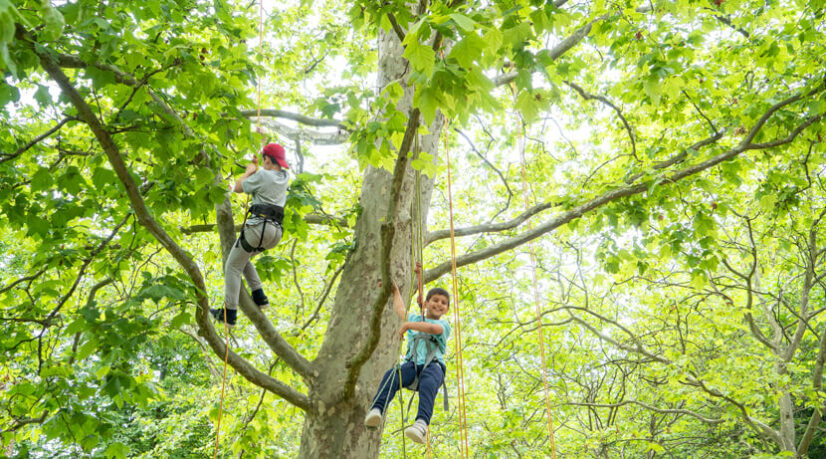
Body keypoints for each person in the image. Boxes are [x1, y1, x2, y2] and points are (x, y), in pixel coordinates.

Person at [211, 138, 290, 328]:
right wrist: (261, 148)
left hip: (258, 230)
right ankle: (260, 297)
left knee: (232, 267)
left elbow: (238, 188)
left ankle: (229, 314)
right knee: (242, 259)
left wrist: (248, 172)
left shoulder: (263, 175)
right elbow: (266, 169)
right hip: (275, 233)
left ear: (269, 161)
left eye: (265, 161)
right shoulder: (284, 177)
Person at [363, 282, 451, 444]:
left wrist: (408, 325)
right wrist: (395, 290)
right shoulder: (416, 318)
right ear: (426, 304)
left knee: (428, 383)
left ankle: (421, 424)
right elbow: (400, 310)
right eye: (435, 300)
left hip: (433, 366)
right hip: (412, 365)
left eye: (443, 303)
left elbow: (433, 330)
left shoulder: (443, 325)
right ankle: (377, 408)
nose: (439, 304)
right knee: (392, 376)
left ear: (446, 309)